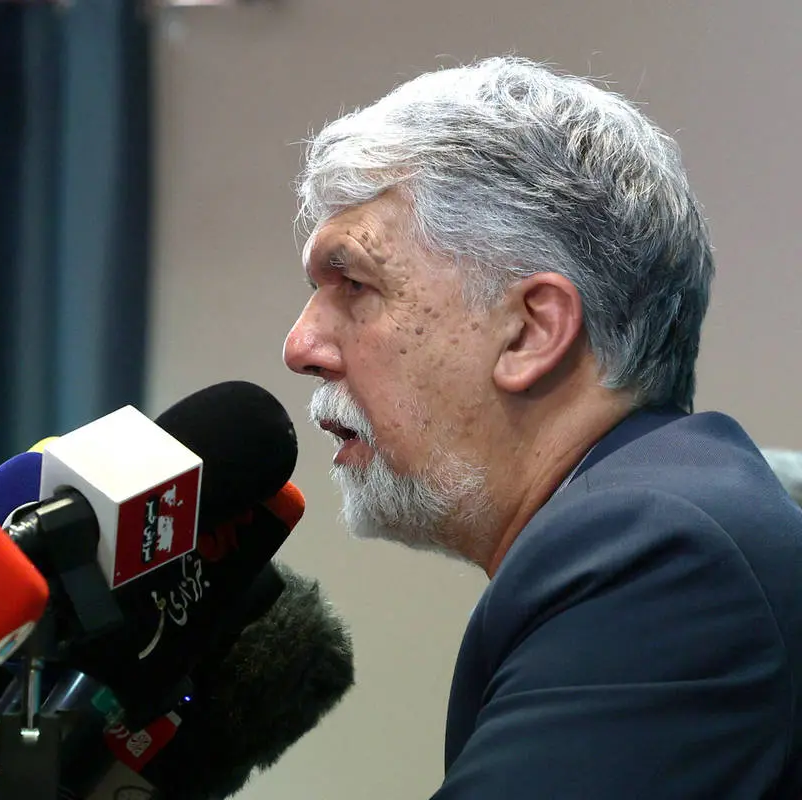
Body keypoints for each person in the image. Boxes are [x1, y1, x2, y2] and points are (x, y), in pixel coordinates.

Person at [284, 55, 802, 798]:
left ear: (530, 332)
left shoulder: (660, 553)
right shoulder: (659, 520)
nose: (301, 346)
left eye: (355, 285)